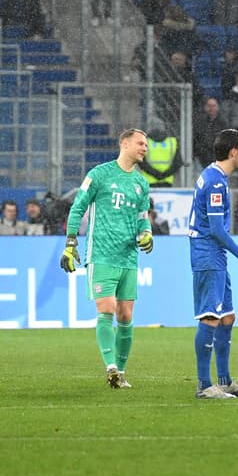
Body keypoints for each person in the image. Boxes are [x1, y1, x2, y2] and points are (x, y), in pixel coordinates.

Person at [60, 129, 153, 389]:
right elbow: (78, 206)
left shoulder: (141, 184)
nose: (144, 148)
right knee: (107, 307)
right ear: (124, 143)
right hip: (101, 254)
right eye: (140, 143)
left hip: (128, 257)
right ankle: (110, 365)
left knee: (125, 315)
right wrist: (70, 242)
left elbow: (142, 217)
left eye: (146, 144)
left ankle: (120, 373)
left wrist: (147, 234)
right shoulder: (99, 174)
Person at [189, 129, 238, 399]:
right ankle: (204, 385)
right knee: (210, 317)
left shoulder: (214, 175)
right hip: (208, 254)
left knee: (227, 317)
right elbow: (217, 229)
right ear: (233, 151)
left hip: (214, 254)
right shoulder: (215, 182)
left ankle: (225, 380)